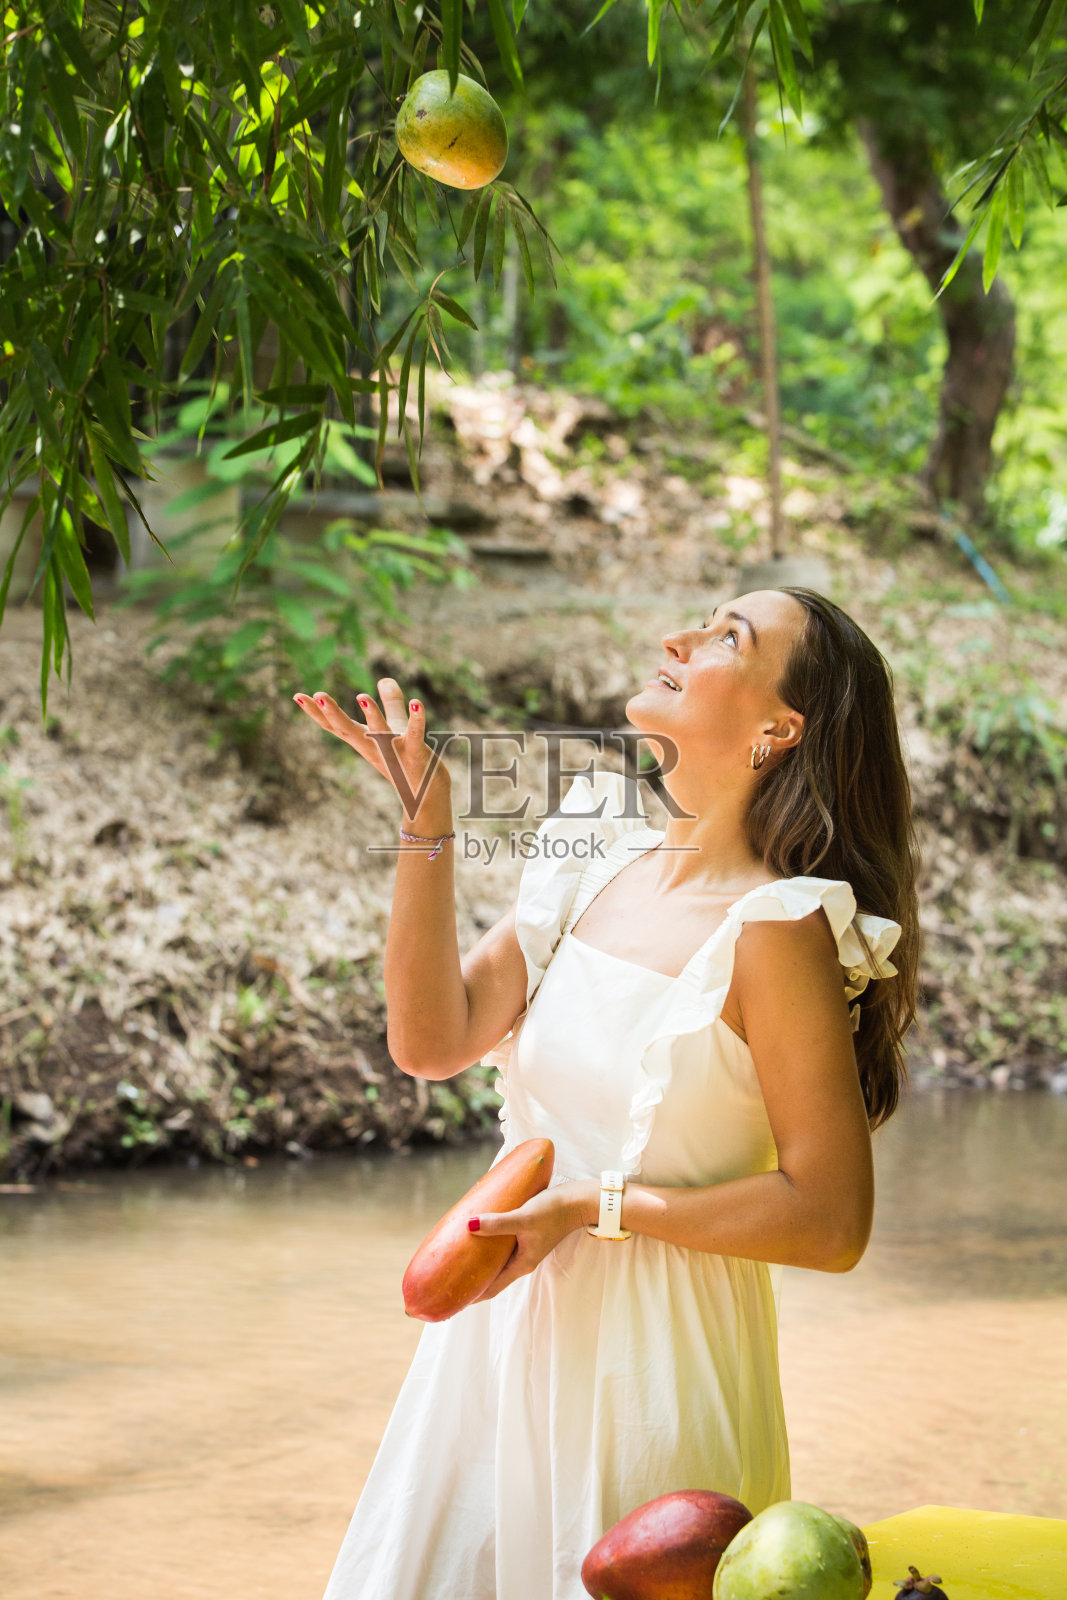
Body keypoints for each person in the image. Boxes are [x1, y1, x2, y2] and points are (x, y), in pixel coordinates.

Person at [293, 587, 921, 1600]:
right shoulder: (598, 844)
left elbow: (829, 1218)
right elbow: (432, 1039)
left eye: (726, 637)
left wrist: (594, 1206)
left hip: (657, 1368)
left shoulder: (778, 927)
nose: (677, 637)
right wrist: (425, 827)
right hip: (497, 1345)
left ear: (778, 728)